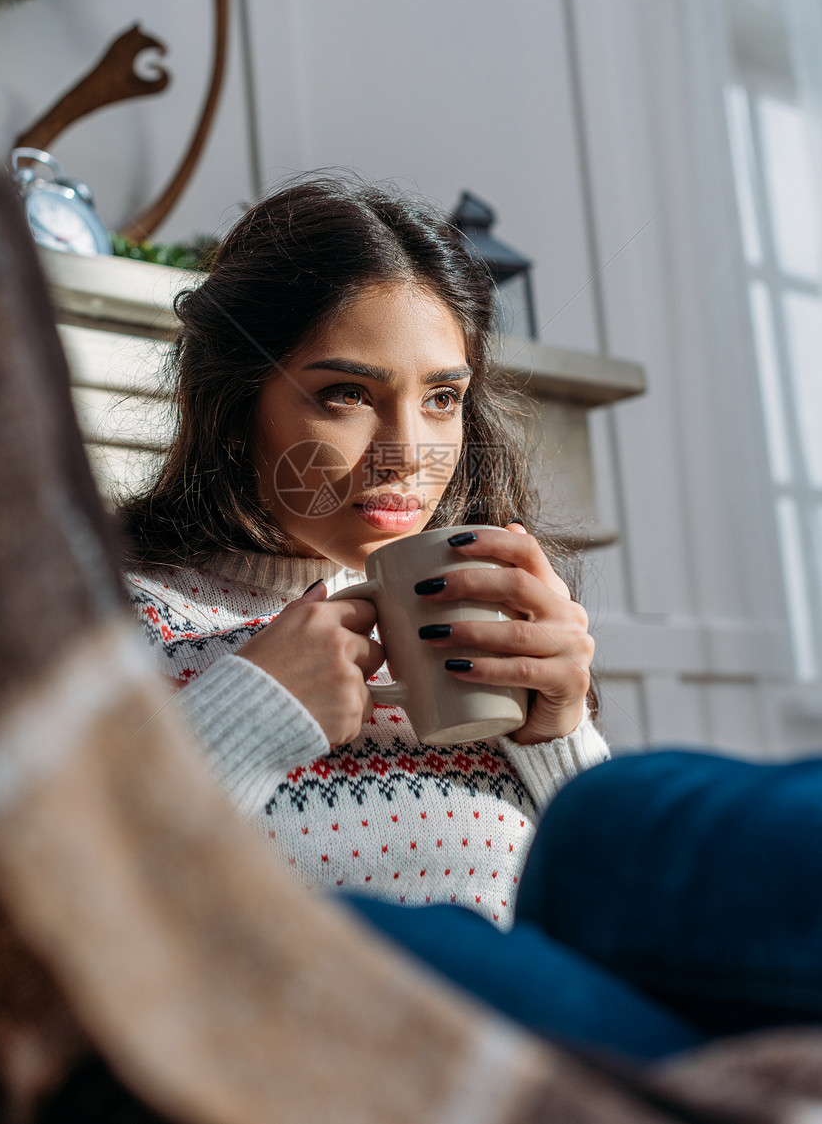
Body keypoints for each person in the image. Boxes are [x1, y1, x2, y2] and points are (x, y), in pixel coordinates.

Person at [121, 176, 607, 934]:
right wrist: (246, 716)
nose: (407, 455)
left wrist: (563, 734)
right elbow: (57, 918)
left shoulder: (487, 621)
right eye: (347, 393)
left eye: (442, 398)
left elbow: (611, 919)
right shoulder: (114, 623)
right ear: (235, 400)